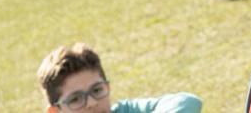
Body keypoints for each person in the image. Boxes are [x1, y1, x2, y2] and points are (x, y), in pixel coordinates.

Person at [37, 43, 202, 112]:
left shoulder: (124, 110)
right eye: (75, 99)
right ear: (55, 111)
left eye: (97, 90)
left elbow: (188, 101)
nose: (92, 103)